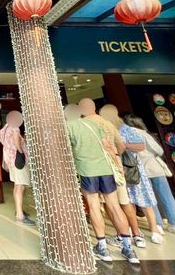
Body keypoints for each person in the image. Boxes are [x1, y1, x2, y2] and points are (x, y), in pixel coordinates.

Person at [65, 104, 139, 265]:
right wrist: (117, 166)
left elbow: (66, 150)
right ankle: (128, 248)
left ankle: (102, 247)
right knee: (115, 207)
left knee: (94, 206)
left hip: (87, 170)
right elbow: (108, 146)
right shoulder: (94, 124)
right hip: (106, 169)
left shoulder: (68, 126)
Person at [101, 106, 164, 244]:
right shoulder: (108, 130)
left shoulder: (126, 129)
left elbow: (141, 146)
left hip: (132, 167)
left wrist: (123, 146)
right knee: (127, 201)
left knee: (144, 199)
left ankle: (154, 229)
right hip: (118, 168)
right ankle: (134, 231)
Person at [96, 103, 148, 249]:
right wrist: (117, 155)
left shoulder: (104, 127)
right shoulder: (118, 127)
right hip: (118, 168)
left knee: (111, 203)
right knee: (123, 202)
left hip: (107, 167)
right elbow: (125, 146)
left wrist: (113, 154)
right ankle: (135, 234)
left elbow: (135, 145)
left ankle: (124, 235)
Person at [124, 113, 175, 235]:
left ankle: (157, 224)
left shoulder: (125, 135)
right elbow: (159, 150)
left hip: (139, 170)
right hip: (154, 168)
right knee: (166, 196)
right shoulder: (144, 134)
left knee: (148, 198)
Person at [0, 111, 34, 226]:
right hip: (18, 160)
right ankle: (20, 215)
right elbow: (16, 140)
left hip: (10, 159)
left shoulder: (5, 128)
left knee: (17, 185)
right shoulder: (15, 127)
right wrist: (21, 152)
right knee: (20, 186)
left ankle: (19, 210)